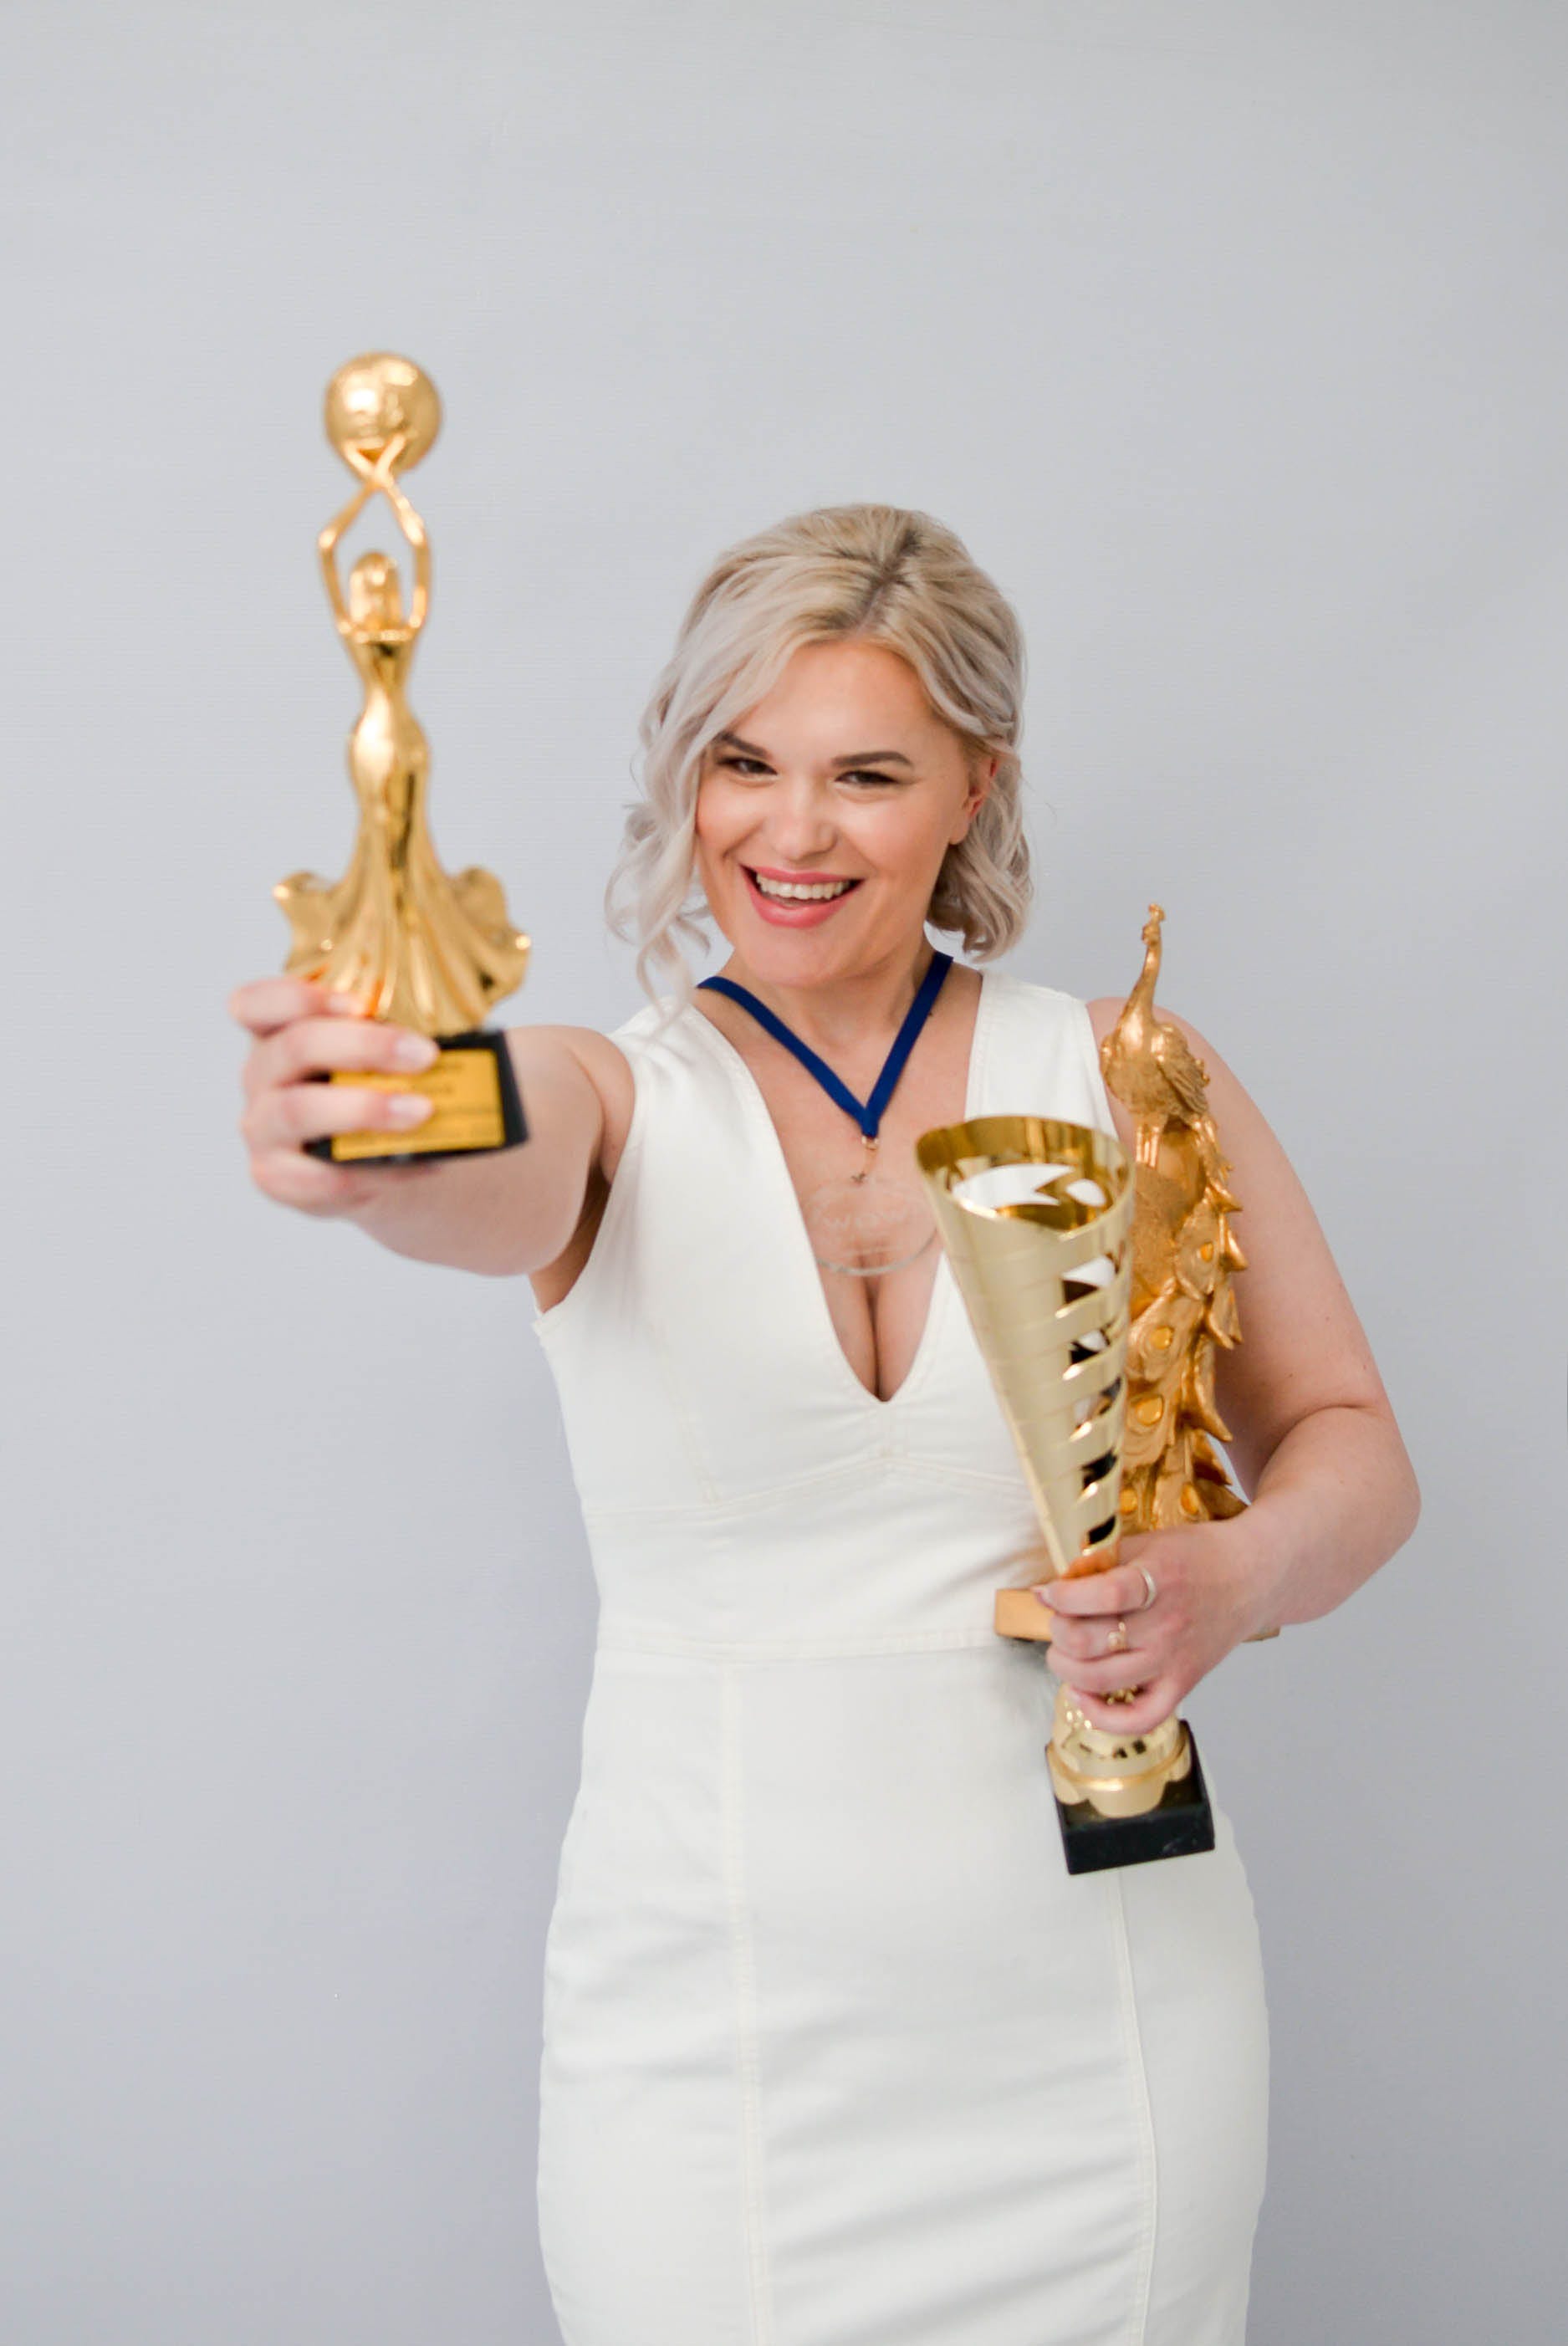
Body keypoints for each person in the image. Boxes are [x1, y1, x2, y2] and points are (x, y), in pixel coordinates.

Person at [229, 504, 1419, 2345]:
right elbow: (483, 1157)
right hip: (714, 2054)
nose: (789, 832)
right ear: (688, 773)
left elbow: (1350, 1444)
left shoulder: (1128, 1073)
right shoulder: (607, 1094)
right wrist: (378, 1133)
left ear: (974, 785)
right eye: (744, 763)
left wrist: (1235, 1577)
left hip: (1107, 2025)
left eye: (866, 774)